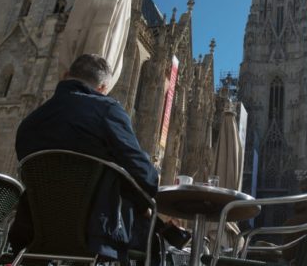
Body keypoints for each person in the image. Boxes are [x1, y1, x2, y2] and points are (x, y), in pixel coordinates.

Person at [11, 54, 186, 265]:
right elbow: (147, 177)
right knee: (155, 239)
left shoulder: (30, 123)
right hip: (97, 233)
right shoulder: (107, 110)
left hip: (35, 230)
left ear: (66, 76)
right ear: (103, 88)